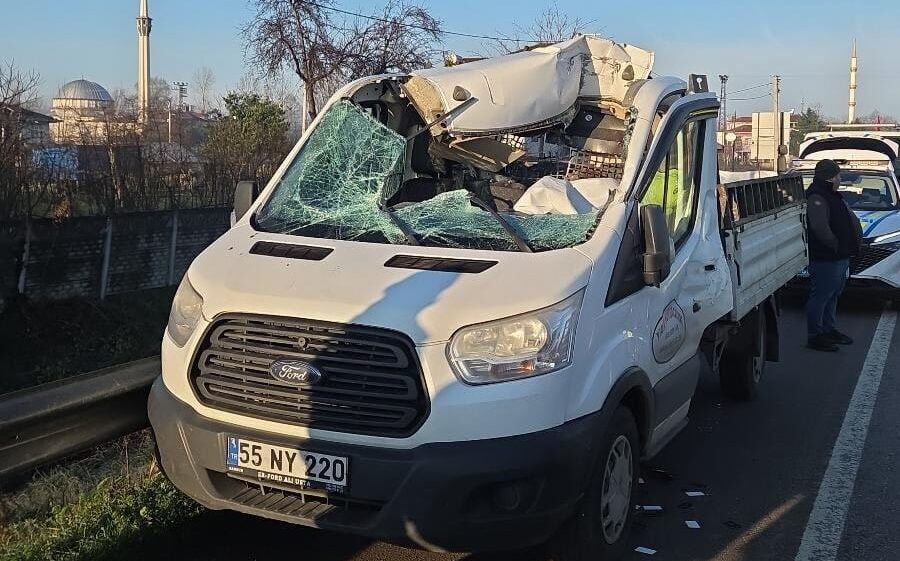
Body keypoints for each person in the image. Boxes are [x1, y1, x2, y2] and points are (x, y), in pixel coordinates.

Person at [805, 159, 863, 352]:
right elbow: (820, 228)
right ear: (830, 177)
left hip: (838, 256)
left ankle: (828, 329)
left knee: (832, 294)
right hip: (827, 257)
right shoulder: (817, 197)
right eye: (838, 175)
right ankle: (815, 335)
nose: (840, 179)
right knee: (821, 295)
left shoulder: (830, 195)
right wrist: (837, 246)